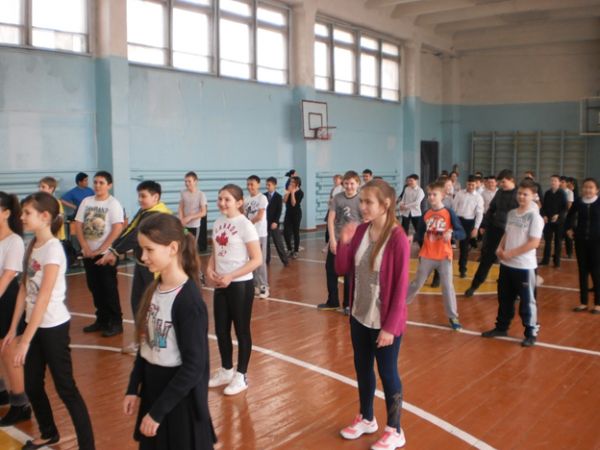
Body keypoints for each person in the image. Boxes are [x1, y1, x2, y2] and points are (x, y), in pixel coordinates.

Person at [3, 192, 94, 449]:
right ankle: (48, 432)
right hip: (33, 325)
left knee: (66, 389)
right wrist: (13, 329)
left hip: (53, 327)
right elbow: (24, 288)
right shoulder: (33, 244)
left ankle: (88, 445)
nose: (22, 217)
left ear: (44, 217)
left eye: (27, 213)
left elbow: (43, 298)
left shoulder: (53, 249)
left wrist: (25, 341)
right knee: (32, 384)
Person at [123, 214, 216, 450]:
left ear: (173, 248)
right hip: (154, 393)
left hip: (178, 401)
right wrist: (134, 387)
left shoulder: (189, 302)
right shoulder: (153, 290)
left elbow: (194, 367)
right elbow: (146, 344)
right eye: (141, 249)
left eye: (149, 250)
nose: (143, 257)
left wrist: (158, 412)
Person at [335, 179, 409, 450]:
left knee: (388, 373)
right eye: (361, 201)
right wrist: (344, 242)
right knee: (363, 369)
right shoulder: (360, 231)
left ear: (385, 204)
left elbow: (400, 286)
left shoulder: (398, 238)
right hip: (359, 315)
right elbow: (342, 269)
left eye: (368, 202)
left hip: (384, 322)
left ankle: (395, 429)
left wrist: (390, 326)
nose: (362, 206)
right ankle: (367, 418)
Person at [96, 181, 171, 354]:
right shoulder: (145, 211)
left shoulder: (157, 215)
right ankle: (142, 341)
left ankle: (159, 344)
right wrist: (113, 249)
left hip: (154, 269)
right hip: (141, 265)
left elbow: (136, 236)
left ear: (155, 197)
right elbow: (129, 229)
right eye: (139, 196)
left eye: (143, 196)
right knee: (138, 302)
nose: (140, 199)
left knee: (154, 306)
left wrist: (115, 252)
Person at [207, 185, 262, 396]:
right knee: (221, 330)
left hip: (240, 285)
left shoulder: (245, 225)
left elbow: (256, 259)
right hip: (221, 284)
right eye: (220, 198)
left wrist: (231, 275)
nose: (222, 203)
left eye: (227, 199)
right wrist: (209, 268)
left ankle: (241, 375)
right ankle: (226, 370)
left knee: (241, 330)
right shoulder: (217, 222)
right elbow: (216, 251)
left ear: (239, 202)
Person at [481, 179, 544, 347]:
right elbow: (507, 233)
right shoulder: (512, 213)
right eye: (520, 193)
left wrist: (510, 253)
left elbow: (534, 243)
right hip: (507, 265)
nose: (521, 197)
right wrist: (500, 248)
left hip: (524, 267)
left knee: (527, 301)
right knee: (504, 298)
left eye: (525, 194)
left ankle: (530, 332)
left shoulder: (535, 217)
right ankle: (501, 327)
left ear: (533, 196)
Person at [406, 181, 466, 331]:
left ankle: (453, 316)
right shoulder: (426, 214)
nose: (431, 197)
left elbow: (462, 233)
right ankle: (399, 305)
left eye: (434, 194)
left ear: (443, 195)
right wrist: (412, 237)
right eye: (429, 194)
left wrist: (452, 234)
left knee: (447, 286)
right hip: (427, 255)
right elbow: (420, 232)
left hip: (444, 257)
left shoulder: (449, 213)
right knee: (416, 284)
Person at [74, 171, 125, 336]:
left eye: (101, 182)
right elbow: (78, 224)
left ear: (109, 185)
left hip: (105, 255)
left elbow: (117, 228)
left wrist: (101, 249)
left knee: (109, 289)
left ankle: (116, 322)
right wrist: (85, 246)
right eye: (95, 182)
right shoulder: (86, 201)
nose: (97, 185)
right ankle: (102, 320)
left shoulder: (113, 204)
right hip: (88, 253)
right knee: (94, 288)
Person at [0, 193, 30, 426]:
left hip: (6, 299)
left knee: (9, 351)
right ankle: (2, 392)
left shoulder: (14, 241)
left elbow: (9, 275)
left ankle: (21, 404)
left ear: (6, 213)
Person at [465, 169, 518, 297]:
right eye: (500, 182)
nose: (501, 184)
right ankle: (474, 285)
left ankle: (514, 291)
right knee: (487, 258)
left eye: (503, 182)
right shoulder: (499, 192)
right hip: (495, 229)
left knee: (510, 260)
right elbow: (491, 209)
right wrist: (484, 224)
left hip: (511, 232)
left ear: (511, 180)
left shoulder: (518, 194)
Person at [318, 171, 362, 313]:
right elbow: (331, 219)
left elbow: (365, 221)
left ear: (358, 184)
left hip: (353, 243)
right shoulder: (337, 198)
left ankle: (348, 304)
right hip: (337, 240)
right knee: (330, 270)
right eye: (346, 183)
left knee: (349, 273)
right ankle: (333, 301)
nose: (349, 186)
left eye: (352, 183)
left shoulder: (361, 200)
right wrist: (332, 240)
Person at [566, 178, 600, 314]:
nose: (588, 190)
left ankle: (598, 304)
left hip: (597, 242)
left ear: (597, 190)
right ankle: (583, 302)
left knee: (596, 272)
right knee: (582, 271)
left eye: (591, 187)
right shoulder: (579, 202)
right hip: (580, 241)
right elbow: (569, 216)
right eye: (585, 187)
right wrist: (569, 229)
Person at [453, 175, 484, 278]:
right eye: (469, 184)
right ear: (466, 183)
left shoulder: (478, 197)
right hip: (458, 220)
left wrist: (476, 228)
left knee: (464, 247)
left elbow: (479, 214)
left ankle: (462, 269)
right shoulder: (460, 194)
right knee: (452, 243)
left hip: (469, 222)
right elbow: (454, 208)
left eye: (472, 185)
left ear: (476, 185)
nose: (470, 186)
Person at [244, 175, 270, 298]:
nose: (250, 187)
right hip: (249, 235)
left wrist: (248, 224)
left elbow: (259, 216)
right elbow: (244, 215)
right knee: (251, 260)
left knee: (260, 261)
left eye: (252, 184)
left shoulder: (262, 198)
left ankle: (264, 286)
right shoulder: (246, 199)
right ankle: (255, 285)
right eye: (248, 184)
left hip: (260, 234)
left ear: (258, 185)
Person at [539, 175, 568, 268]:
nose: (553, 182)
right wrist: (544, 215)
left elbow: (565, 208)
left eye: (555, 181)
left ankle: (557, 262)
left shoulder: (562, 193)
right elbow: (543, 207)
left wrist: (558, 215)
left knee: (557, 241)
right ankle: (545, 260)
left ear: (559, 183)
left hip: (559, 221)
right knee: (547, 241)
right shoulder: (547, 193)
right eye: (552, 180)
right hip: (548, 221)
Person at [178, 171, 208, 253]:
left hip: (195, 225)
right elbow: (181, 207)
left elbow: (203, 212)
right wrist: (181, 219)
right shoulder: (183, 193)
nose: (187, 183)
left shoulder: (201, 194)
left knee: (193, 246)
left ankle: (194, 260)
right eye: (185, 181)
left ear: (195, 181)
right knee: (185, 243)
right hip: (185, 225)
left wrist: (190, 217)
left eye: (189, 181)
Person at [264, 177, 288, 267]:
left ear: (274, 185)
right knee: (266, 243)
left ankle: (285, 260)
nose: (267, 186)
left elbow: (279, 211)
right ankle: (266, 260)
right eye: (266, 185)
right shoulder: (263, 196)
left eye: (269, 185)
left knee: (278, 242)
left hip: (274, 223)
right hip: (264, 223)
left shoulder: (278, 197)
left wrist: (276, 222)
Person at [38, 177, 66, 242]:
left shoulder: (56, 202)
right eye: (39, 187)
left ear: (51, 189)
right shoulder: (39, 202)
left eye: (43, 187)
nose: (40, 189)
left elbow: (59, 219)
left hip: (56, 237)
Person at [283, 176, 304, 258]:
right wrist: (288, 192)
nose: (290, 183)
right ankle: (289, 249)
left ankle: (296, 251)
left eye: (292, 182)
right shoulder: (288, 190)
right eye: (290, 181)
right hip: (288, 213)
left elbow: (293, 204)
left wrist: (292, 193)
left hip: (296, 214)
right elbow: (284, 201)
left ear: (297, 183)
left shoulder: (300, 192)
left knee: (295, 232)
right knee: (285, 232)